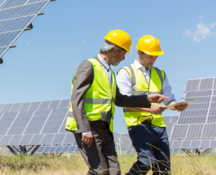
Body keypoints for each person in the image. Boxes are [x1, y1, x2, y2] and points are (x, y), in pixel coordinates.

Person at [65, 30, 168, 175]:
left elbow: (120, 100)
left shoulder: (110, 73)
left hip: (105, 128)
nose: (124, 57)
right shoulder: (89, 66)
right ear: (114, 51)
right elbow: (77, 98)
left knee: (114, 171)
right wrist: (85, 129)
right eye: (123, 53)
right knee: (100, 171)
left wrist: (147, 99)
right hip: (89, 127)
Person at [116, 35, 187, 175]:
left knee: (163, 168)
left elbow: (168, 95)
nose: (153, 60)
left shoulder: (160, 73)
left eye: (155, 57)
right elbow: (123, 101)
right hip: (139, 124)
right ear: (139, 53)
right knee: (145, 162)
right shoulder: (126, 72)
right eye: (150, 56)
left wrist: (174, 104)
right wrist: (149, 108)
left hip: (159, 126)